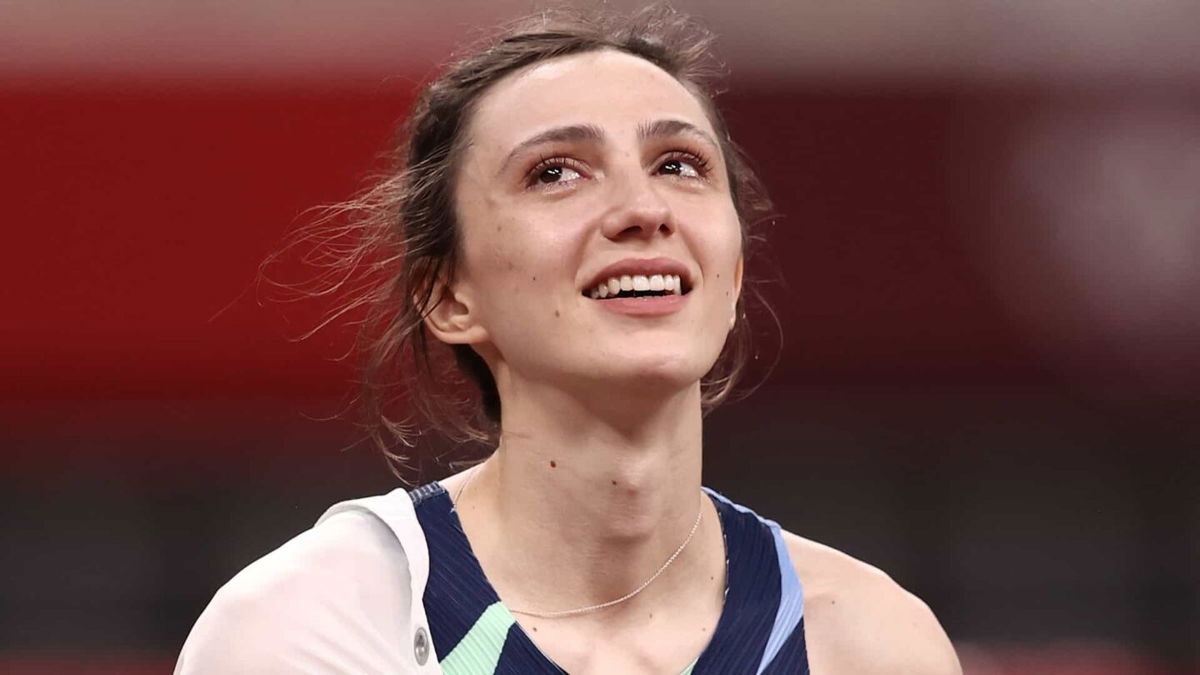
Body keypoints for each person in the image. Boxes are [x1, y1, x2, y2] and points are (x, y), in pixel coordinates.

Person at [175, 5, 962, 674]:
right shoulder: (319, 630)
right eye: (556, 172)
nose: (643, 209)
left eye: (681, 163)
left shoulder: (869, 643)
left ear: (732, 269)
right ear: (448, 296)